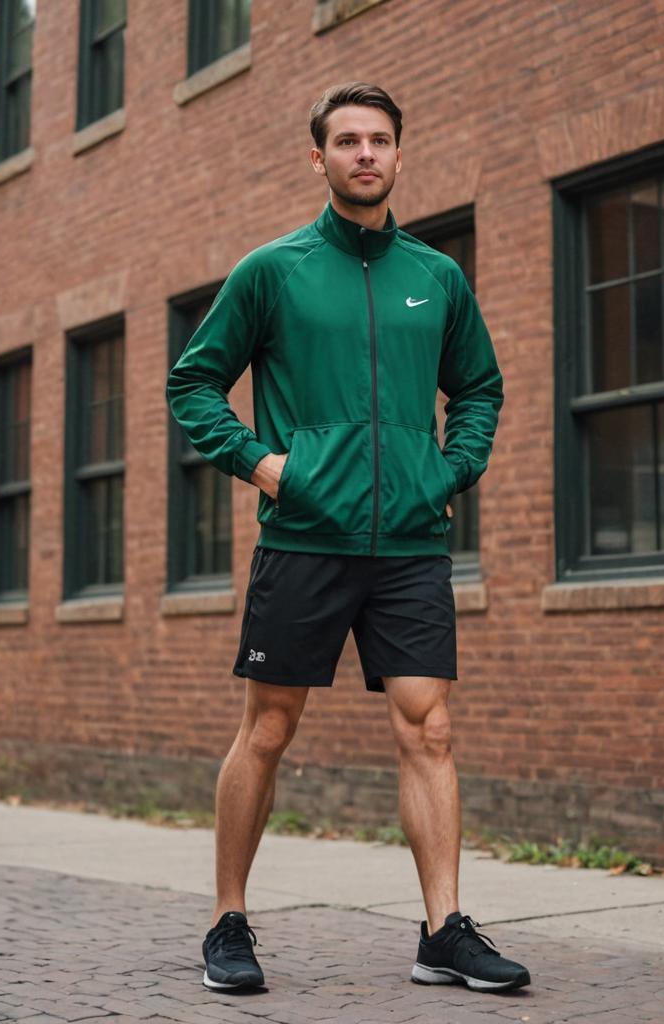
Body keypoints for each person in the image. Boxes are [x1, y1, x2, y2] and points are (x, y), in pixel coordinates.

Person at [167, 81, 529, 995]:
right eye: (347, 141)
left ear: (400, 156)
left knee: (430, 728)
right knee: (269, 727)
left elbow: (479, 388)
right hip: (304, 537)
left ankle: (444, 929)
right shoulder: (272, 270)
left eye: (380, 141)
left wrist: (448, 472)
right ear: (317, 156)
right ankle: (227, 923)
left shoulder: (437, 277)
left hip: (408, 543)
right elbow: (194, 384)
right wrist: (265, 466)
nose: (365, 154)